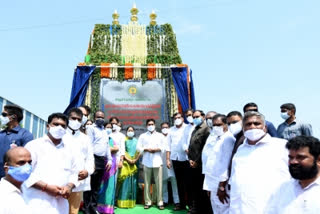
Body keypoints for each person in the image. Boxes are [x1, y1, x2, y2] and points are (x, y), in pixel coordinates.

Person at [229, 111, 291, 214]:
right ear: (243, 129)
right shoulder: (240, 150)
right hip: (241, 208)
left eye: (257, 123)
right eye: (248, 124)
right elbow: (235, 182)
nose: (252, 127)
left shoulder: (281, 146)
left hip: (272, 208)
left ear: (265, 127)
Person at [22, 113, 78, 214]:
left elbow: (74, 173)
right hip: (35, 202)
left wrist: (69, 187)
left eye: (63, 126)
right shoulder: (33, 145)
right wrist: (46, 187)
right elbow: (25, 172)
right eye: (55, 124)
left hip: (60, 204)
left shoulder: (71, 149)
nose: (59, 128)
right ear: (48, 126)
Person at [265, 136, 320, 213]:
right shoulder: (282, 190)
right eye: (291, 157)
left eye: (300, 157)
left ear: (318, 160)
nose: (293, 162)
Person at [63, 108, 94, 214]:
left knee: (73, 210)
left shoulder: (86, 138)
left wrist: (88, 171)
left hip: (78, 180)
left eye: (78, 119)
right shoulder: (60, 134)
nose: (76, 121)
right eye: (73, 118)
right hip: (60, 179)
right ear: (68, 118)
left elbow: (90, 159)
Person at [202, 114, 235, 214]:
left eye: (219, 125)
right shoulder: (216, 138)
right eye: (214, 125)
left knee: (223, 209)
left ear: (226, 124)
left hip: (221, 184)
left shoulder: (228, 139)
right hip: (212, 182)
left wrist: (221, 187)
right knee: (216, 209)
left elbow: (226, 165)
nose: (216, 127)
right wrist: (209, 186)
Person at [83, 110, 112, 214]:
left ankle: (93, 207)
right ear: (95, 118)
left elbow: (107, 146)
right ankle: (87, 209)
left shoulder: (104, 131)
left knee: (96, 186)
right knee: (89, 185)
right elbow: (89, 144)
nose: (100, 119)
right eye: (98, 117)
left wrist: (109, 159)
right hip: (93, 158)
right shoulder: (90, 128)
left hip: (102, 160)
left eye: (102, 117)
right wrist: (91, 162)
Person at [137, 118, 164, 210]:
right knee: (147, 182)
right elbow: (138, 148)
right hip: (146, 161)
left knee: (159, 183)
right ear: (146, 126)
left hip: (158, 161)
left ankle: (159, 202)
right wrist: (146, 149)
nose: (151, 126)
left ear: (155, 125)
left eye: (152, 124)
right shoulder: (142, 136)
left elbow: (164, 147)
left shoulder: (160, 136)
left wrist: (156, 149)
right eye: (149, 124)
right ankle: (148, 202)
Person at [188, 110, 211, 214]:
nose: (195, 118)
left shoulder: (206, 129)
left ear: (203, 116)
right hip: (192, 164)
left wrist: (197, 161)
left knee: (202, 189)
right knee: (195, 188)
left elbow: (204, 148)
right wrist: (190, 160)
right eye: (194, 117)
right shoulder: (195, 129)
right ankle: (195, 208)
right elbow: (191, 146)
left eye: (197, 116)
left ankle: (202, 209)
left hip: (200, 164)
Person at [0, 104, 33, 178]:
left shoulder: (25, 135)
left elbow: (27, 159)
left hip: (12, 178)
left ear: (13, 117)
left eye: (4, 114)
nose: (1, 117)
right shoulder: (1, 133)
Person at [0, 147, 32, 214]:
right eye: (21, 162)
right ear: (7, 167)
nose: (27, 167)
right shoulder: (3, 196)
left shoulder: (27, 190)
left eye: (29, 162)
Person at [166, 113, 188, 210]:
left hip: (187, 158)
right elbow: (168, 145)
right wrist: (167, 159)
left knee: (188, 182)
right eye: (175, 118)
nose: (177, 119)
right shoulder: (171, 130)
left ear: (183, 119)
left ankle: (191, 204)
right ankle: (181, 203)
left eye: (179, 117)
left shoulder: (187, 128)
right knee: (179, 182)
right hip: (175, 159)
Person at [97, 122, 119, 214]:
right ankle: (99, 208)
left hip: (111, 167)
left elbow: (117, 149)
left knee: (110, 187)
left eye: (110, 127)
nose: (109, 129)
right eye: (107, 127)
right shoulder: (99, 139)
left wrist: (107, 149)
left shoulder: (112, 139)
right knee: (100, 187)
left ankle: (108, 210)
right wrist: (110, 149)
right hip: (101, 165)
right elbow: (98, 149)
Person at [117, 126, 141, 208]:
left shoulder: (137, 141)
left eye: (132, 130)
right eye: (129, 130)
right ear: (126, 132)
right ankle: (122, 202)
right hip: (126, 163)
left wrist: (135, 160)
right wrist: (128, 160)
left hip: (134, 163)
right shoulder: (124, 140)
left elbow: (139, 151)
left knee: (133, 182)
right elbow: (122, 151)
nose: (130, 131)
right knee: (125, 182)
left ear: (134, 132)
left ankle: (131, 203)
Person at [161, 122, 180, 209]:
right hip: (162, 162)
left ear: (169, 128)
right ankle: (165, 200)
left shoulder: (172, 136)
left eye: (166, 127)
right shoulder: (159, 137)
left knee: (174, 181)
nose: (165, 129)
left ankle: (177, 201)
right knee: (163, 182)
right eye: (163, 127)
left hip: (172, 162)